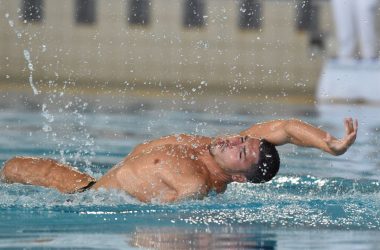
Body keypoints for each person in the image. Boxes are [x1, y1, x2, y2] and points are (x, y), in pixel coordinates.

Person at [0, 118, 358, 203]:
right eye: (244, 139)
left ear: (240, 179)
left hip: (81, 202)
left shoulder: (198, 183)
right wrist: (330, 145)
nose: (237, 139)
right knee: (12, 165)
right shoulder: (213, 145)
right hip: (87, 184)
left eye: (242, 150)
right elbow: (286, 128)